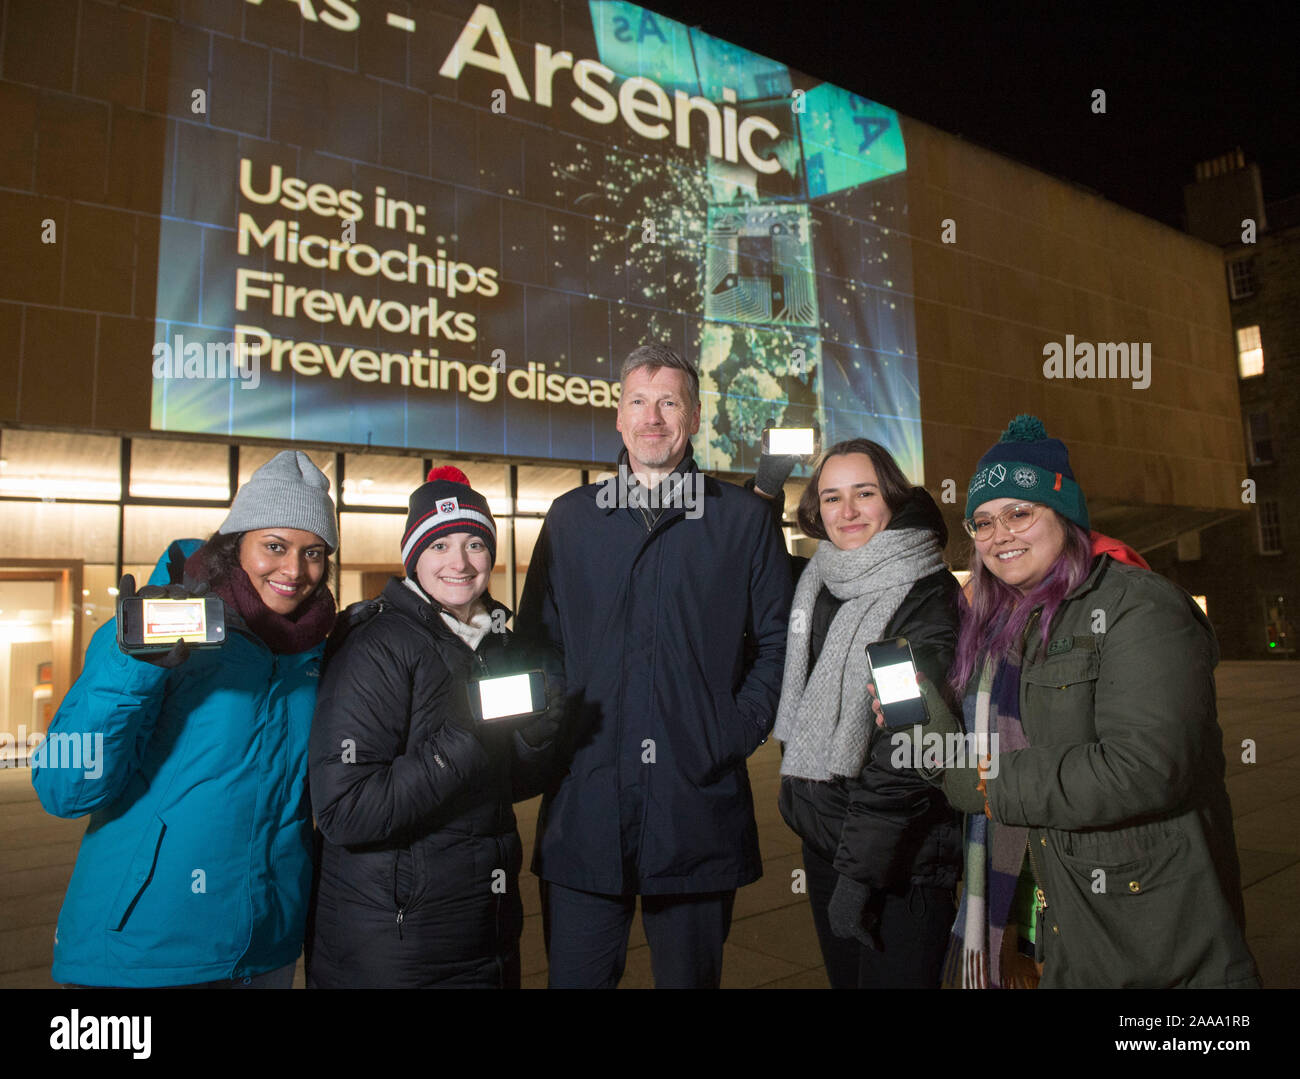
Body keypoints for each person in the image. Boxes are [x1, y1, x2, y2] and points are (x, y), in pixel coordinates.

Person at [880, 414, 1261, 988]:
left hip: (1134, 926)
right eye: (982, 522)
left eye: (1019, 513)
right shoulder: (991, 625)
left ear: (1065, 515)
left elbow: (1148, 766)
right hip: (1021, 907)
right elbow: (979, 752)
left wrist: (988, 783)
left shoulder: (1141, 608)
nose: (999, 534)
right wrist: (925, 727)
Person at [515, 342, 793, 989]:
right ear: (617, 416)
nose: (653, 417)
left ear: (693, 417)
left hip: (693, 807)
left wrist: (727, 732)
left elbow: (780, 643)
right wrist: (550, 727)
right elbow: (537, 644)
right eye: (638, 400)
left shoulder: (744, 521)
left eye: (669, 401)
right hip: (585, 807)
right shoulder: (571, 520)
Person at [32, 451, 338, 987]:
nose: (294, 570)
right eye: (274, 546)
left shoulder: (316, 652)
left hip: (267, 947)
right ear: (234, 544)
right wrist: (131, 668)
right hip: (145, 948)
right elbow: (63, 787)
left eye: (313, 552)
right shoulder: (154, 627)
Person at [307, 466, 561, 988]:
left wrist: (536, 739)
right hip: (395, 945)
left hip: (483, 932)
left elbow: (495, 787)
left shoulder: (494, 642)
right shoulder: (375, 644)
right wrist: (465, 740)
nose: (460, 563)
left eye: (474, 544)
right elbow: (344, 809)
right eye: (440, 545)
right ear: (413, 557)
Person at [769, 439, 962, 988]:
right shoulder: (825, 581)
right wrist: (765, 486)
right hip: (832, 841)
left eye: (864, 493)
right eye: (831, 497)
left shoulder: (919, 597)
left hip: (900, 864)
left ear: (893, 499)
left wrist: (858, 876)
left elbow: (907, 751)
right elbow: (749, 559)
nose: (846, 511)